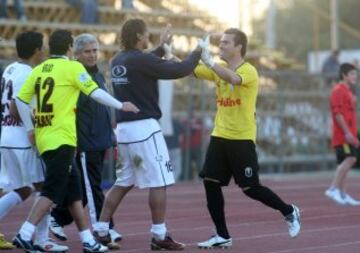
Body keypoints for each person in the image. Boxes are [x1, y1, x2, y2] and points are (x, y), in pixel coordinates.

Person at [13, 29, 139, 253]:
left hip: (45, 138)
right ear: (70, 47)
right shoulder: (73, 67)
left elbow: (20, 100)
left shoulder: (40, 69)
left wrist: (31, 128)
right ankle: (24, 234)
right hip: (62, 138)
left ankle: (87, 240)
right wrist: (121, 105)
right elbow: (96, 93)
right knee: (51, 192)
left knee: (74, 194)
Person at [93, 18, 202, 251]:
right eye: (146, 34)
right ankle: (159, 235)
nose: (148, 37)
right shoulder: (140, 60)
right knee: (159, 181)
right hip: (145, 128)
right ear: (138, 37)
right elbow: (179, 69)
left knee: (123, 182)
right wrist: (197, 52)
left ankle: (101, 230)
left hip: (123, 130)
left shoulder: (118, 60)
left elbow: (144, 63)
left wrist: (162, 47)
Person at [192, 29, 301, 249]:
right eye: (220, 42)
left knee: (250, 188)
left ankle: (289, 211)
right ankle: (222, 235)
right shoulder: (217, 70)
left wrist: (211, 62)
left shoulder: (249, 70)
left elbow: (232, 78)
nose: (220, 46)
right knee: (210, 182)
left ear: (238, 47)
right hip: (219, 135)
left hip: (241, 139)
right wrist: (171, 53)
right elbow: (188, 70)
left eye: (225, 43)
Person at [49, 33, 122, 249]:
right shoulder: (75, 76)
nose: (92, 55)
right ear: (77, 54)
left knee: (83, 187)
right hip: (86, 142)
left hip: (101, 140)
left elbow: (100, 109)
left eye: (94, 50)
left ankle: (58, 217)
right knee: (92, 187)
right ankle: (103, 228)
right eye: (87, 52)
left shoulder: (97, 75)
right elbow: (73, 111)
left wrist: (111, 136)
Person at [0, 31, 68, 252]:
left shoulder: (10, 69)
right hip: (22, 139)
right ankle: (41, 241)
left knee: (23, 189)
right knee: (44, 188)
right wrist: (34, 126)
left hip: (6, 136)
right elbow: (15, 106)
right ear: (38, 50)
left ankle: (41, 240)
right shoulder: (30, 73)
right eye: (43, 48)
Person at [324, 63, 360, 206]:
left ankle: (343, 195)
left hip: (349, 134)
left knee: (345, 163)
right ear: (344, 75)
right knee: (350, 159)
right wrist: (347, 133)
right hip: (342, 135)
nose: (355, 76)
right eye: (352, 74)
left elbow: (350, 114)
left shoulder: (348, 92)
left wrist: (354, 134)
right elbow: (337, 113)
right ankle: (333, 188)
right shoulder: (338, 90)